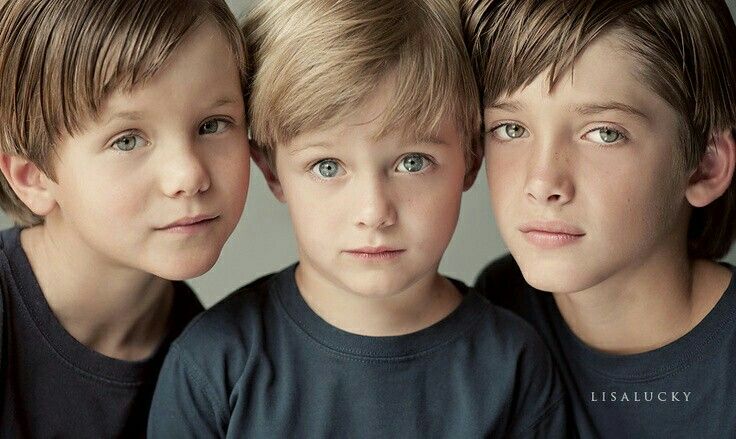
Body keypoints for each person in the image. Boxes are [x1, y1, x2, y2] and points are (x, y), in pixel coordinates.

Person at [148, 0, 569, 437]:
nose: (374, 213)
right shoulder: (213, 366)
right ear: (271, 171)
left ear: (471, 160)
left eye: (412, 162)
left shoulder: (515, 366)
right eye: (328, 167)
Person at [463, 0, 736, 436]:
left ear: (705, 166)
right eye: (511, 129)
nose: (542, 181)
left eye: (604, 133)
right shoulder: (499, 311)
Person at [0, 0, 251, 436]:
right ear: (34, 177)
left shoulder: (215, 365)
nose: (188, 175)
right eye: (128, 140)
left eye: (212, 125)